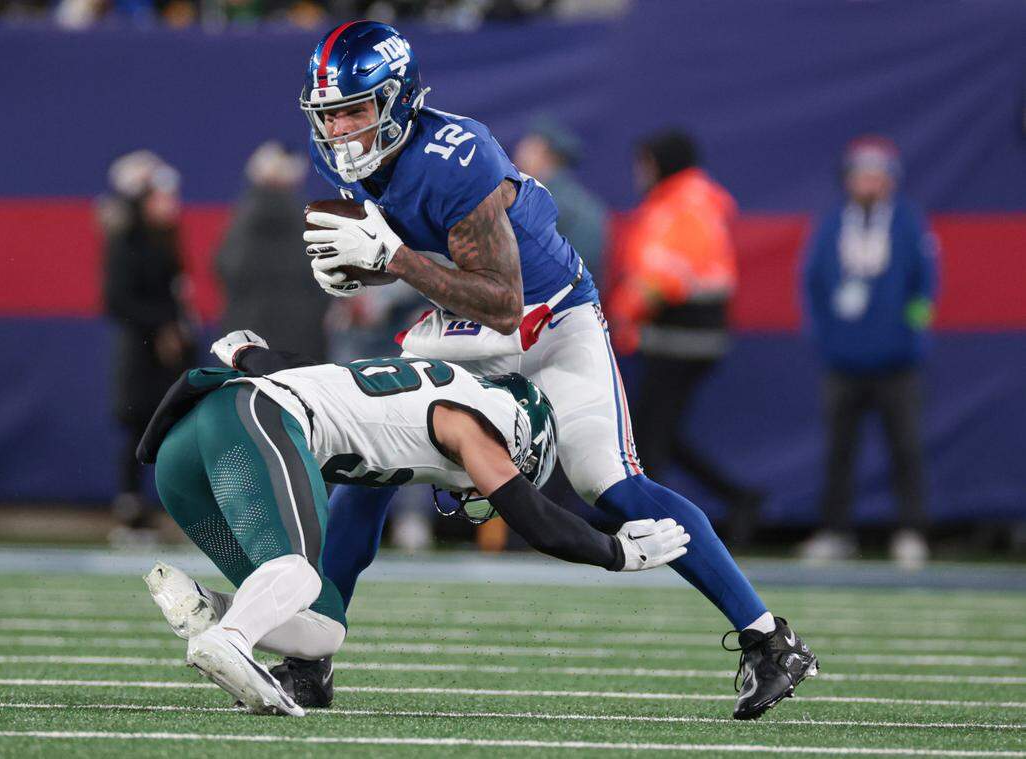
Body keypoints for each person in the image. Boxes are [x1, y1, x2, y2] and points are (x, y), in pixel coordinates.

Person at [294, 20, 816, 720]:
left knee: (611, 481)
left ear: (400, 99)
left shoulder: (457, 156)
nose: (342, 130)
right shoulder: (342, 158)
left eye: (357, 110)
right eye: (330, 114)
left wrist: (391, 261)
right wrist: (363, 275)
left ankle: (768, 638)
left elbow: (505, 303)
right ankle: (309, 656)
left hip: (550, 315)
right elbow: (414, 255)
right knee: (367, 462)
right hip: (464, 325)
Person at [138, 329, 690, 715]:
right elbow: (534, 518)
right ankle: (231, 639)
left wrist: (246, 355)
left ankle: (209, 611)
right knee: (299, 571)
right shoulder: (477, 421)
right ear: (524, 440)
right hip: (250, 421)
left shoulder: (421, 393)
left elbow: (300, 372)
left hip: (186, 454)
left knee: (323, 624)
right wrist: (616, 551)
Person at [606, 129, 763, 547]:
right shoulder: (695, 201)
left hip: (679, 339)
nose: (640, 172)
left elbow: (662, 276)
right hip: (690, 338)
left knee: (647, 439)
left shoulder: (678, 206)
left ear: (661, 163)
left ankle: (652, 527)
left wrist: (618, 314)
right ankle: (739, 498)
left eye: (646, 162)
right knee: (660, 434)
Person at [800, 136, 938, 568]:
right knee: (840, 450)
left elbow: (924, 281)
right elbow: (814, 281)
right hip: (844, 360)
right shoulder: (832, 223)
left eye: (876, 174)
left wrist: (909, 330)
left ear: (890, 180)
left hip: (897, 361)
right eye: (861, 174)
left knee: (906, 447)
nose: (868, 182)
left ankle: (911, 529)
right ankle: (836, 531)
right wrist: (826, 336)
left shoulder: (907, 222)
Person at [102, 150, 196, 534]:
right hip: (142, 354)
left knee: (178, 428)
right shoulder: (127, 243)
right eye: (160, 196)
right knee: (141, 431)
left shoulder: (165, 239)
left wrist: (179, 329)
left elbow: (176, 294)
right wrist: (161, 328)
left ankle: (179, 511)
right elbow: (118, 301)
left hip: (169, 352)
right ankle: (131, 511)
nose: (170, 204)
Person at [215, 142, 328, 359]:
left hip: (250, 335)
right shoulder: (300, 217)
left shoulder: (243, 218)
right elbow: (319, 271)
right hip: (301, 334)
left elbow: (226, 267)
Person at [513, 115, 608, 282]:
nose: (519, 150)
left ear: (541, 149)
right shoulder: (577, 197)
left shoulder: (545, 198)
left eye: (528, 144)